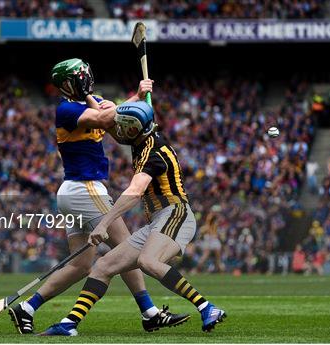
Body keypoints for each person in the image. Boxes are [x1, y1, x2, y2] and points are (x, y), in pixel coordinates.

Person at [9, 58, 188, 334]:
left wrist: (137, 97)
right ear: (68, 84)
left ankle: (27, 308)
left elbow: (121, 120)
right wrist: (134, 101)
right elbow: (108, 117)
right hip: (85, 189)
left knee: (81, 265)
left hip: (74, 192)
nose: (86, 78)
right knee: (127, 248)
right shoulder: (66, 110)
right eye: (81, 76)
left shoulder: (91, 102)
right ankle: (150, 312)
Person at [40, 101, 226, 336]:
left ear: (133, 129)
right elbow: (113, 126)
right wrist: (121, 100)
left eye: (122, 126)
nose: (117, 128)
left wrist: (104, 223)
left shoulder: (153, 152)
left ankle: (207, 307)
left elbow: (135, 192)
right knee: (103, 267)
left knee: (148, 261)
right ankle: (69, 325)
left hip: (175, 213)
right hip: (157, 220)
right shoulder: (141, 139)